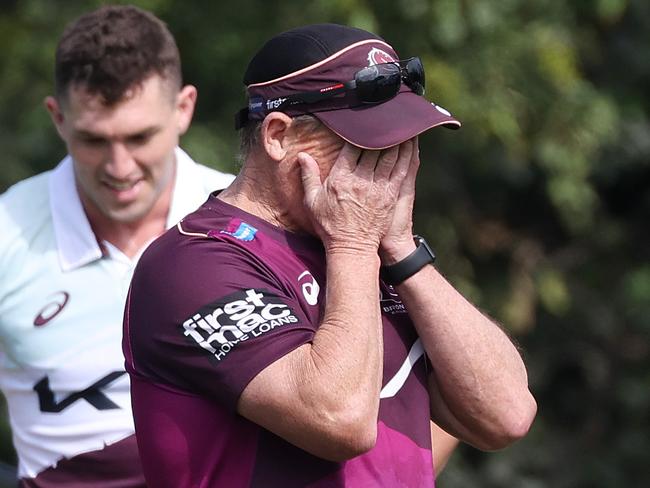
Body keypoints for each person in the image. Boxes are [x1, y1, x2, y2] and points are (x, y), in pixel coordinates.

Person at [124, 23, 537, 487]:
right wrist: (356, 244)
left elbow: (506, 414)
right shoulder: (193, 262)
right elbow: (339, 419)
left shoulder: (371, 251)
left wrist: (402, 250)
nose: (389, 166)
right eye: (363, 146)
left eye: (402, 144)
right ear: (278, 136)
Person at [0, 5, 234, 486]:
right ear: (57, 118)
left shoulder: (259, 225)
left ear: (183, 109)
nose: (119, 166)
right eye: (94, 140)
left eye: (139, 136)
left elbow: (410, 391)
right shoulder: (7, 232)